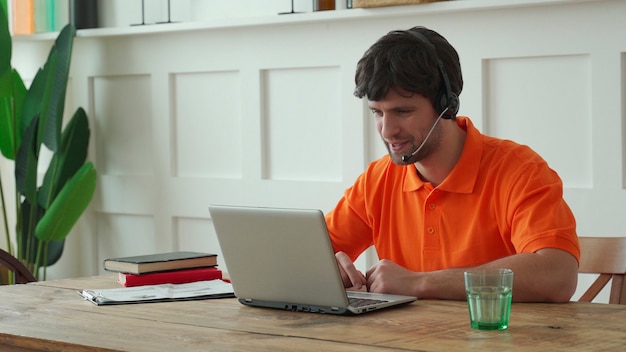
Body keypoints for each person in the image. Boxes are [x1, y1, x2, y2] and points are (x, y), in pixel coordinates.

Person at [325, 26, 580, 303]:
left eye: (403, 111)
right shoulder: (377, 179)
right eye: (377, 112)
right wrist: (327, 269)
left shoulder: (520, 170)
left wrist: (420, 283)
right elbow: (302, 255)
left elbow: (557, 275)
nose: (386, 130)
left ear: (447, 105)